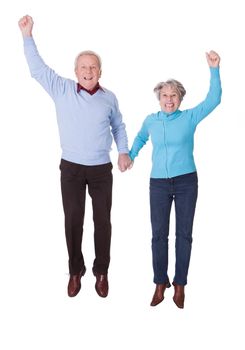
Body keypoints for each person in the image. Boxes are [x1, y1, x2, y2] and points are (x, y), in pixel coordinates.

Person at [18, 15, 132, 298]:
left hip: (101, 169)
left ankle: (102, 271)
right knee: (72, 220)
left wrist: (123, 151)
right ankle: (74, 271)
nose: (88, 71)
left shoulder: (110, 97)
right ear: (76, 70)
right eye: (83, 67)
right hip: (70, 167)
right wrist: (27, 35)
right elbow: (37, 69)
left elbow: (118, 126)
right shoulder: (62, 88)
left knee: (103, 221)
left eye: (93, 67)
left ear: (100, 71)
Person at [129, 51, 222, 308]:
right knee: (158, 235)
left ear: (180, 98)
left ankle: (180, 285)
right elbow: (139, 138)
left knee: (184, 234)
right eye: (165, 95)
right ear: (159, 98)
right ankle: (161, 282)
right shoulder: (151, 120)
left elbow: (213, 100)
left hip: (185, 182)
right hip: (158, 183)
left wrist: (213, 69)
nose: (169, 100)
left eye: (174, 95)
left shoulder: (189, 117)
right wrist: (131, 155)